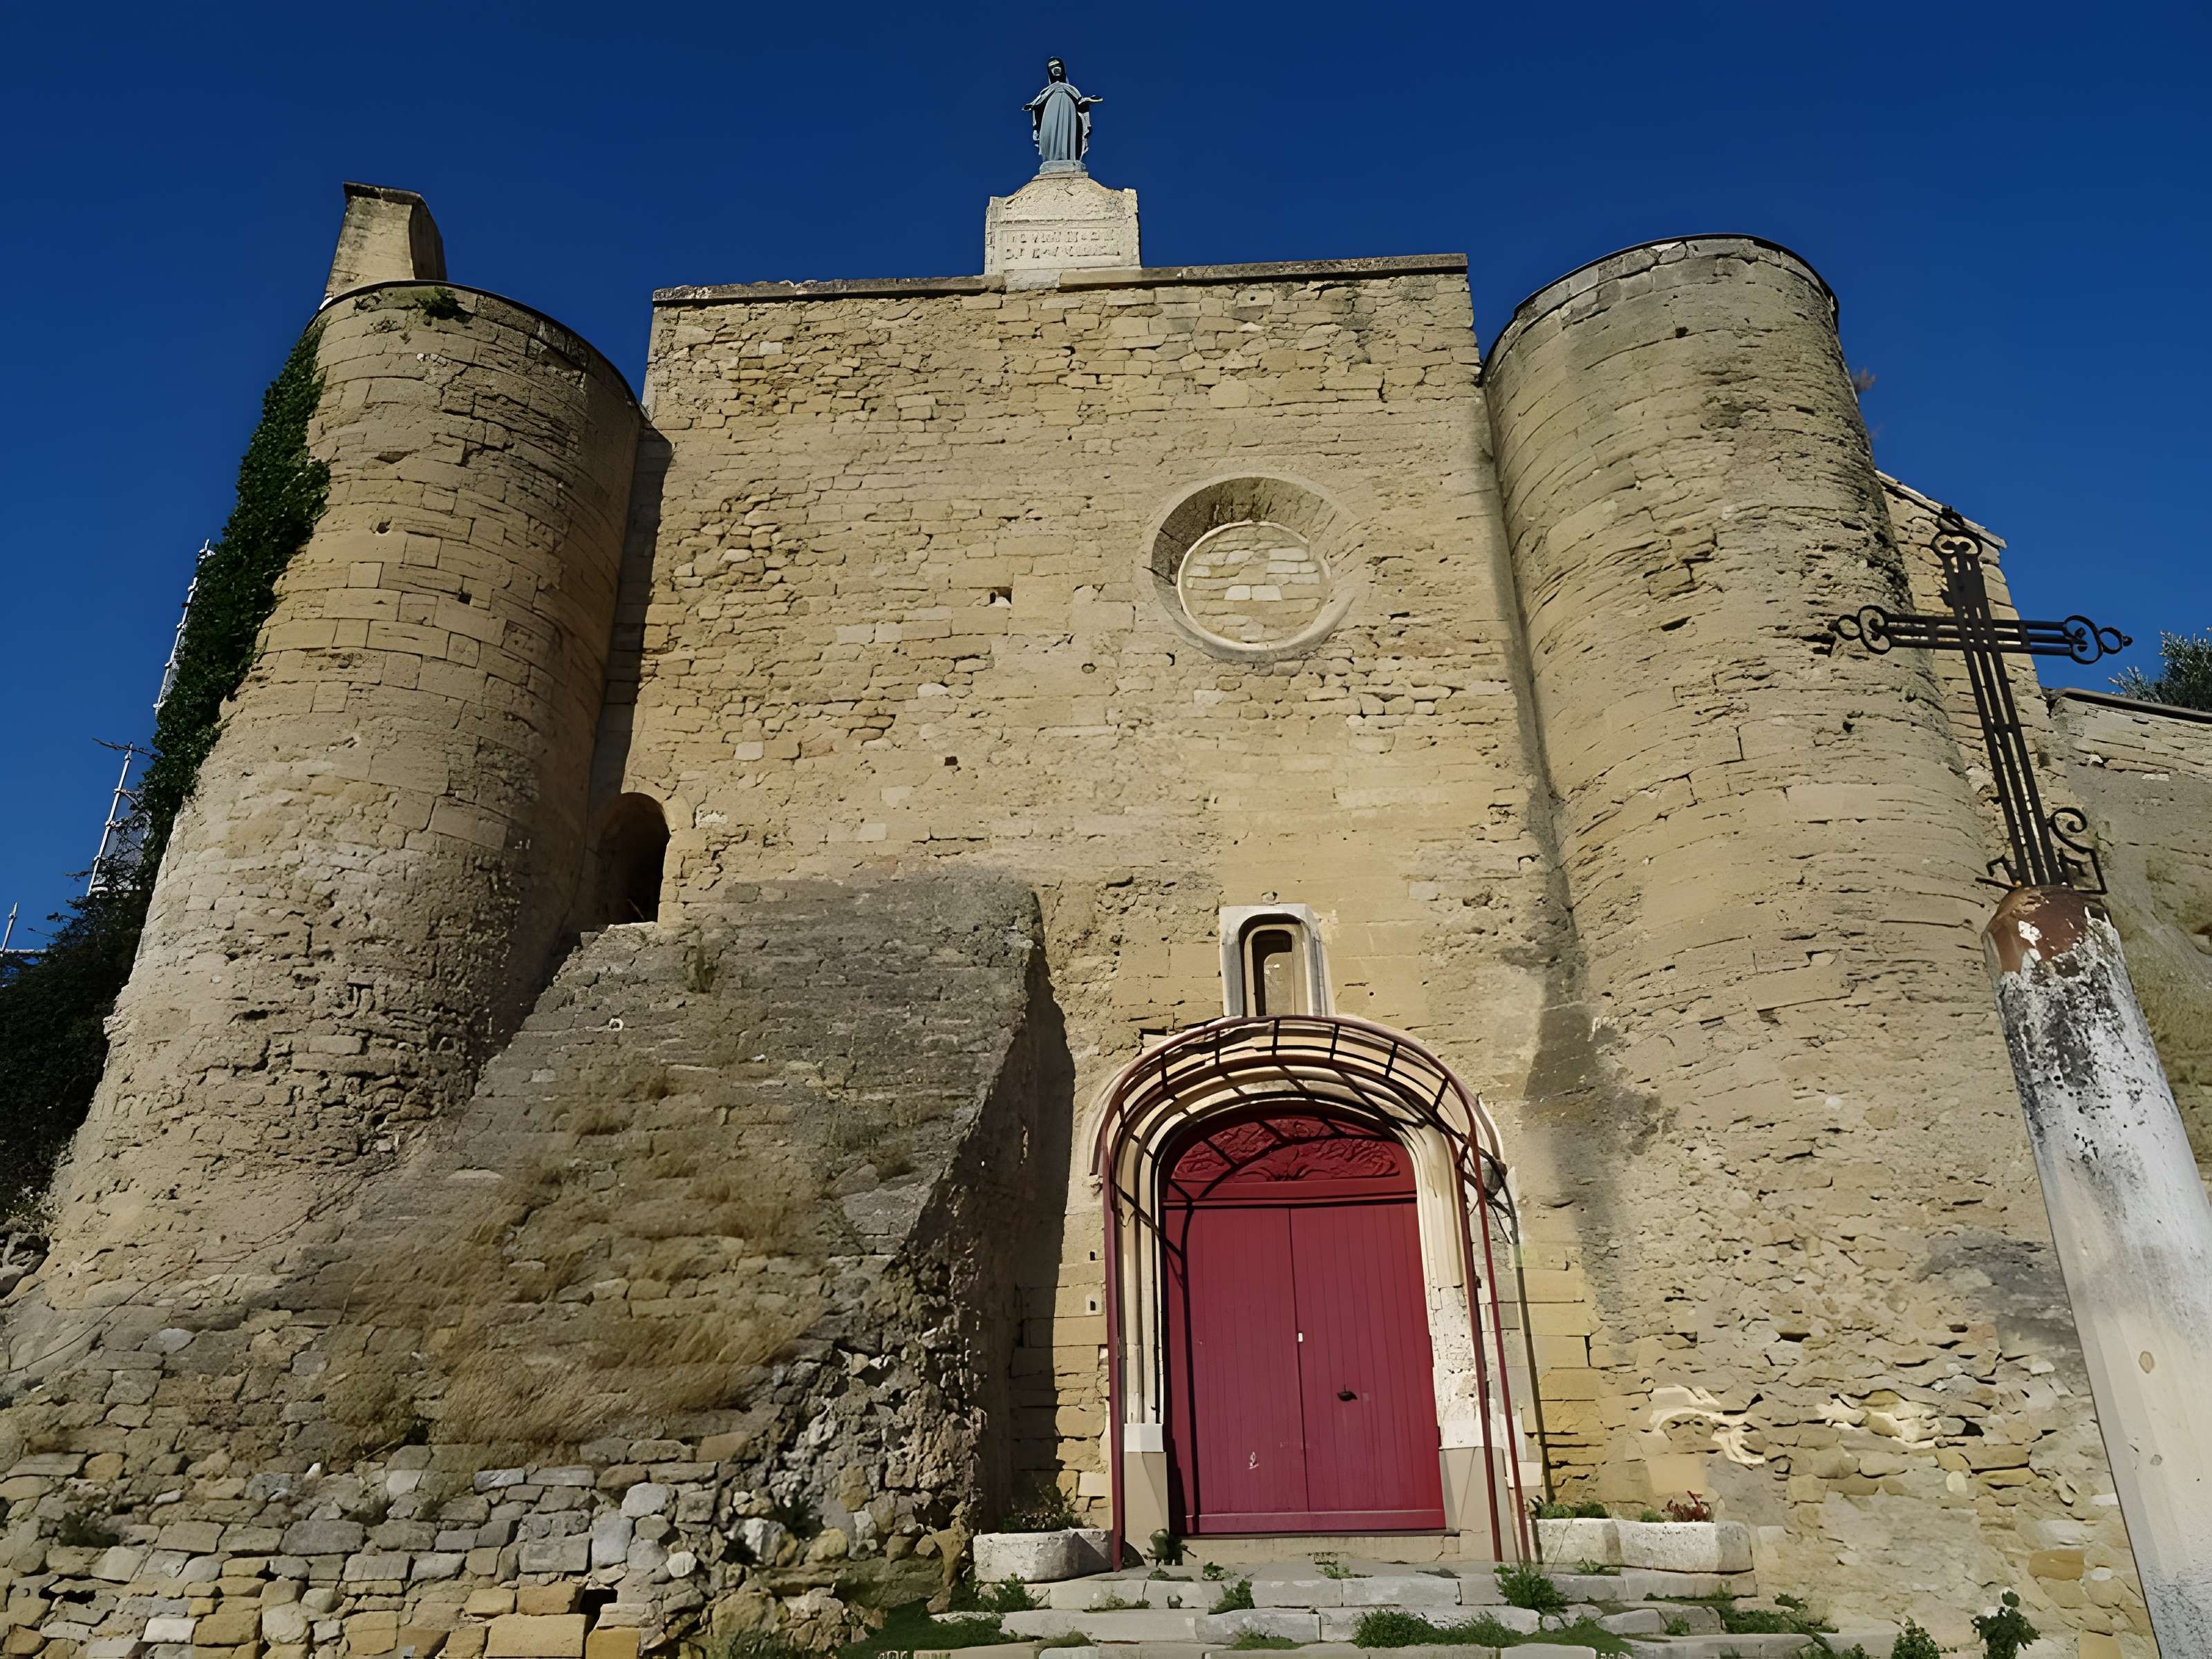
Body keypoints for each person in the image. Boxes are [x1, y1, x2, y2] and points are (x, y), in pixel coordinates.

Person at [1025, 58, 1101, 169]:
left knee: (1067, 132)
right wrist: (1036, 127)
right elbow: (1036, 107)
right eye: (1052, 67)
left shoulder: (1071, 89)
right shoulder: (1046, 91)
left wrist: (1088, 101)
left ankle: (1068, 159)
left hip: (1068, 110)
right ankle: (1051, 160)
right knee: (1049, 134)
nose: (1055, 69)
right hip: (1050, 111)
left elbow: (1081, 103)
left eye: (1058, 65)